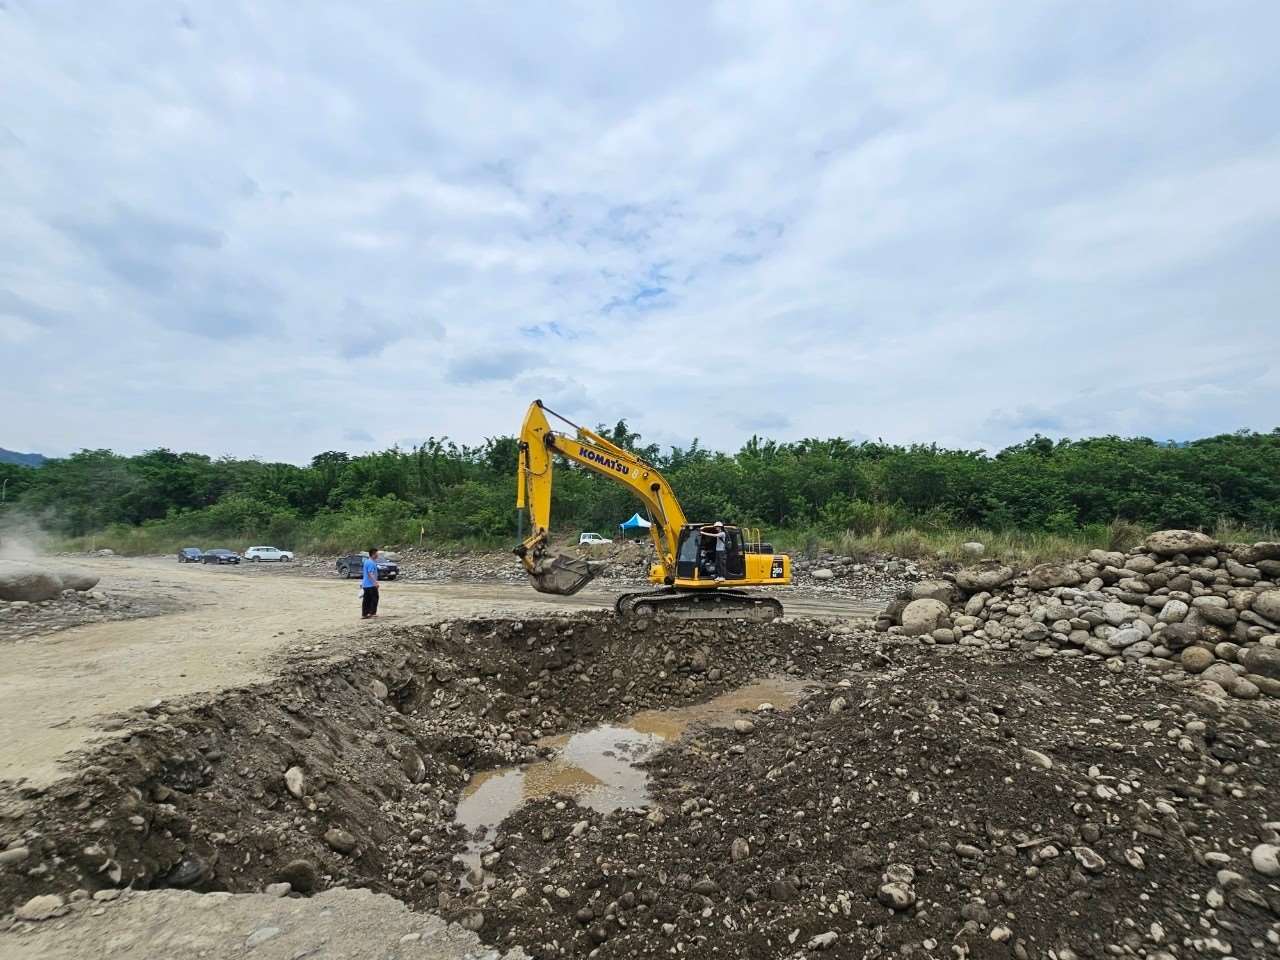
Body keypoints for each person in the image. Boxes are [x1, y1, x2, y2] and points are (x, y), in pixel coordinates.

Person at [361, 547, 381, 619]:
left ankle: (364, 614)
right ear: (373, 554)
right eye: (376, 554)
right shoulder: (371, 563)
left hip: (365, 585)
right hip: (371, 585)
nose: (377, 555)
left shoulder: (366, 561)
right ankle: (372, 613)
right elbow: (370, 573)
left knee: (366, 600)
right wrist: (375, 582)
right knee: (374, 598)